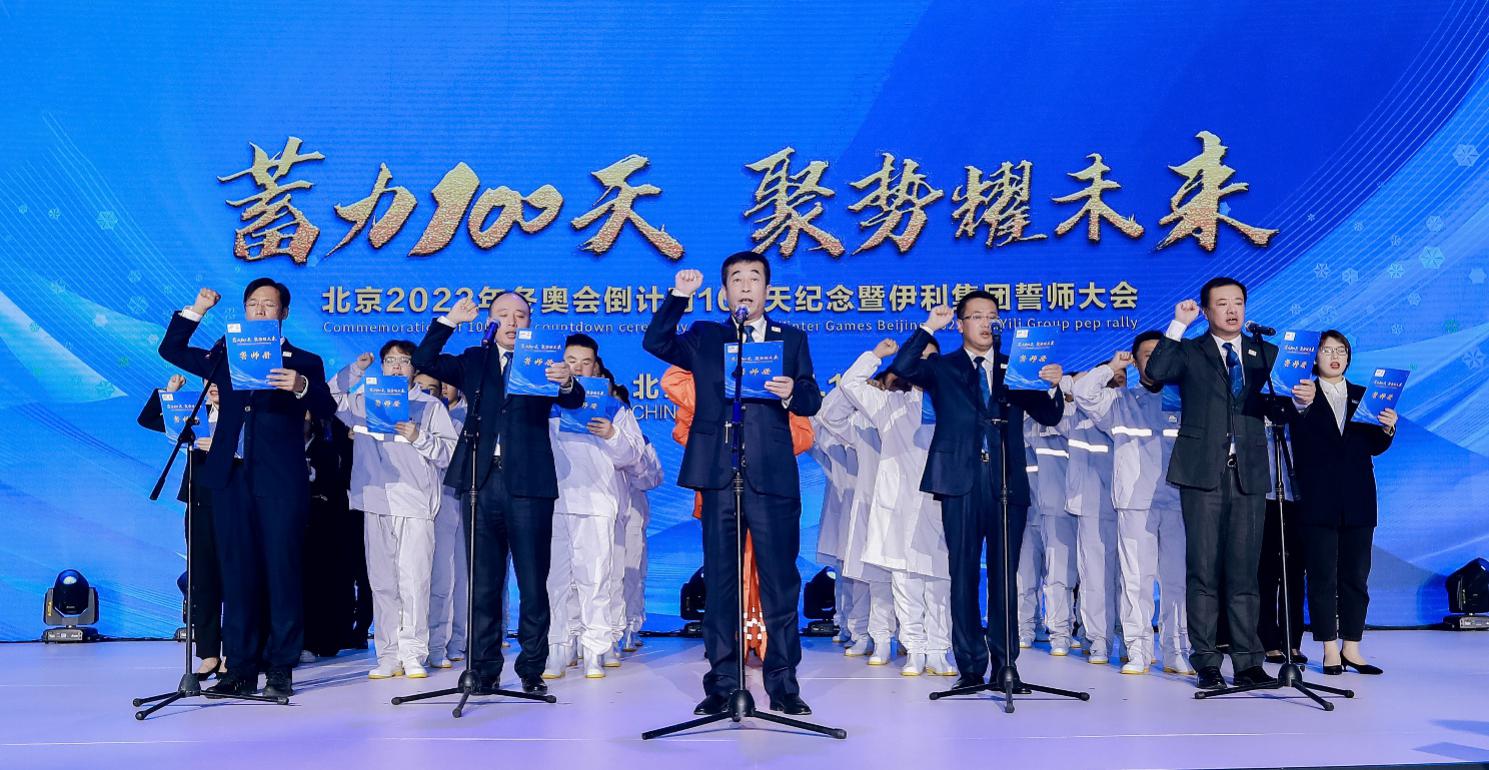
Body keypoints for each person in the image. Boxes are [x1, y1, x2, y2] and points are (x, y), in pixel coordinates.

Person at [643, 254, 822, 717]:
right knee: (721, 582)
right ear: (724, 292)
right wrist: (679, 296)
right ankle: (722, 684)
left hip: (773, 474)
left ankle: (783, 684)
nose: (745, 286)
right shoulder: (706, 335)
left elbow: (811, 397)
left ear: (767, 289)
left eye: (754, 278)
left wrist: (791, 392)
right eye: (736, 279)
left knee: (781, 581)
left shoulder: (791, 338)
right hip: (720, 473)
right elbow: (656, 340)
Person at [157, 280, 337, 699]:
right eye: (253, 304)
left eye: (268, 305)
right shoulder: (225, 354)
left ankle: (280, 668)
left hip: (279, 482)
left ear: (283, 313)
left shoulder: (304, 361)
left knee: (282, 574)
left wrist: (301, 387)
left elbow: (328, 409)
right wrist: (197, 309)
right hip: (230, 478)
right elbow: (172, 349)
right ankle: (239, 668)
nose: (259, 310)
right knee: (236, 576)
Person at [890, 294, 1064, 690]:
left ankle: (1006, 666)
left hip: (1007, 483)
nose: (986, 323)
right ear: (961, 324)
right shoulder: (943, 367)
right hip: (960, 482)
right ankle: (970, 667)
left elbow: (1049, 415)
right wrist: (928, 326)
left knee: (1005, 576)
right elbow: (902, 367)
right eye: (977, 317)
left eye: (992, 317)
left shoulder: (1015, 367)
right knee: (963, 573)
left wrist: (1052, 387)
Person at [1145, 277, 1312, 690]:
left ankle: (1248, 661)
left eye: (1238, 302)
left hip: (1250, 473)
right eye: (1222, 303)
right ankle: (1206, 661)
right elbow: (1156, 371)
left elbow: (1283, 408)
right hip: (1202, 473)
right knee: (1203, 571)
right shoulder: (1190, 350)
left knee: (1245, 573)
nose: (1232, 309)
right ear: (1206, 311)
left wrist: (1302, 402)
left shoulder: (1265, 353)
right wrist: (1177, 325)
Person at [413, 293, 583, 695]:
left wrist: (567, 381)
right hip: (481, 481)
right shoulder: (477, 358)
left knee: (532, 581)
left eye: (520, 315)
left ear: (529, 323)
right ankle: (483, 668)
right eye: (503, 315)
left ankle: (531, 668)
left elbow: (574, 399)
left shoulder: (545, 362)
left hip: (529, 484)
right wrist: (449, 320)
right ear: (490, 322)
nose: (512, 321)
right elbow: (423, 360)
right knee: (483, 583)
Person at [330, 341, 457, 679]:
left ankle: (413, 652)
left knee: (415, 580)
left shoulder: (429, 406)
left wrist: (420, 437)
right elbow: (328, 398)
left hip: (415, 502)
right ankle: (388, 654)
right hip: (374, 499)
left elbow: (449, 454)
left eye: (404, 361)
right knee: (382, 582)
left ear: (415, 368)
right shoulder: (363, 401)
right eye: (390, 361)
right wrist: (355, 370)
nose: (397, 367)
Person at [1073, 333, 1192, 675]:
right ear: (1136, 362)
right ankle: (1138, 649)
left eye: (1160, 354)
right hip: (1135, 503)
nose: (1154, 360)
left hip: (1178, 500)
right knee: (1136, 580)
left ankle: (1176, 651)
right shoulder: (1120, 401)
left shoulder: (1185, 398)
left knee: (1176, 582)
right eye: (1147, 355)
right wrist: (1112, 366)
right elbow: (1083, 393)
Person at [839, 338, 956, 677]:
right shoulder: (888, 405)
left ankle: (938, 650)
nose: (925, 364)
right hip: (900, 508)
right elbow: (850, 384)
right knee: (905, 583)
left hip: (941, 503)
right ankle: (915, 650)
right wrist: (875, 356)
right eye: (918, 357)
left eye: (932, 358)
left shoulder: (953, 401)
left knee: (940, 583)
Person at [1289, 330, 1396, 676]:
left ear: (1349, 357)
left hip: (1358, 498)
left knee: (1356, 576)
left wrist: (1387, 429)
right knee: (1322, 576)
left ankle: (1353, 647)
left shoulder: (1365, 396)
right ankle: (1329, 649)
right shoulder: (1301, 392)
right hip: (1317, 498)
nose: (1335, 356)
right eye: (1327, 350)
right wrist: (1300, 406)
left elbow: (1373, 446)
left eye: (1341, 351)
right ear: (1314, 357)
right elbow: (1296, 435)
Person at [542, 334, 645, 680]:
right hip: (554, 502)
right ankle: (557, 648)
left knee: (596, 579)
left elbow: (634, 456)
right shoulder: (544, 403)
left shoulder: (614, 408)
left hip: (598, 503)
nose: (578, 368)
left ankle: (595, 651)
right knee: (555, 582)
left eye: (585, 362)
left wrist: (612, 435)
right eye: (571, 361)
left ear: (596, 367)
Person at [137, 376, 225, 679]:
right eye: (209, 380)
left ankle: (234, 653)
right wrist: (169, 393)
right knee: (202, 579)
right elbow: (148, 419)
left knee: (234, 581)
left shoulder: (242, 413)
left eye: (220, 380)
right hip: (198, 501)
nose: (214, 386)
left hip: (234, 502)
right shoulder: (195, 412)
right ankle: (209, 654)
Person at [1060, 369, 1123, 668]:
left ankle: (1128, 640)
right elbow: (1076, 389)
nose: (1117, 382)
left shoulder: (1125, 408)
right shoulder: (1072, 415)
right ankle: (1098, 640)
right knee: (1094, 577)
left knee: (1127, 579)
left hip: (1126, 502)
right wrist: (1106, 368)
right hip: (1090, 505)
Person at [1023, 410, 1079, 657]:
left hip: (1061, 507)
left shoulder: (1073, 420)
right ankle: (1027, 628)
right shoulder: (1029, 423)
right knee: (1027, 574)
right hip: (1031, 507)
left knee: (1061, 575)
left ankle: (1062, 633)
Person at [424, 375, 469, 669]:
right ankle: (422, 643)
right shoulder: (405, 418)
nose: (430, 394)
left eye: (435, 389)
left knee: (451, 577)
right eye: (423, 389)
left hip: (451, 505)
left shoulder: (460, 422)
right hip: (418, 505)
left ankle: (451, 641)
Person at [1258, 418, 1306, 665]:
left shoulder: (1299, 408)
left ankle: (1292, 640)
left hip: (1298, 497)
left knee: (1295, 572)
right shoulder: (1259, 405)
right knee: (1266, 571)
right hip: (1264, 496)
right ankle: (1268, 639)